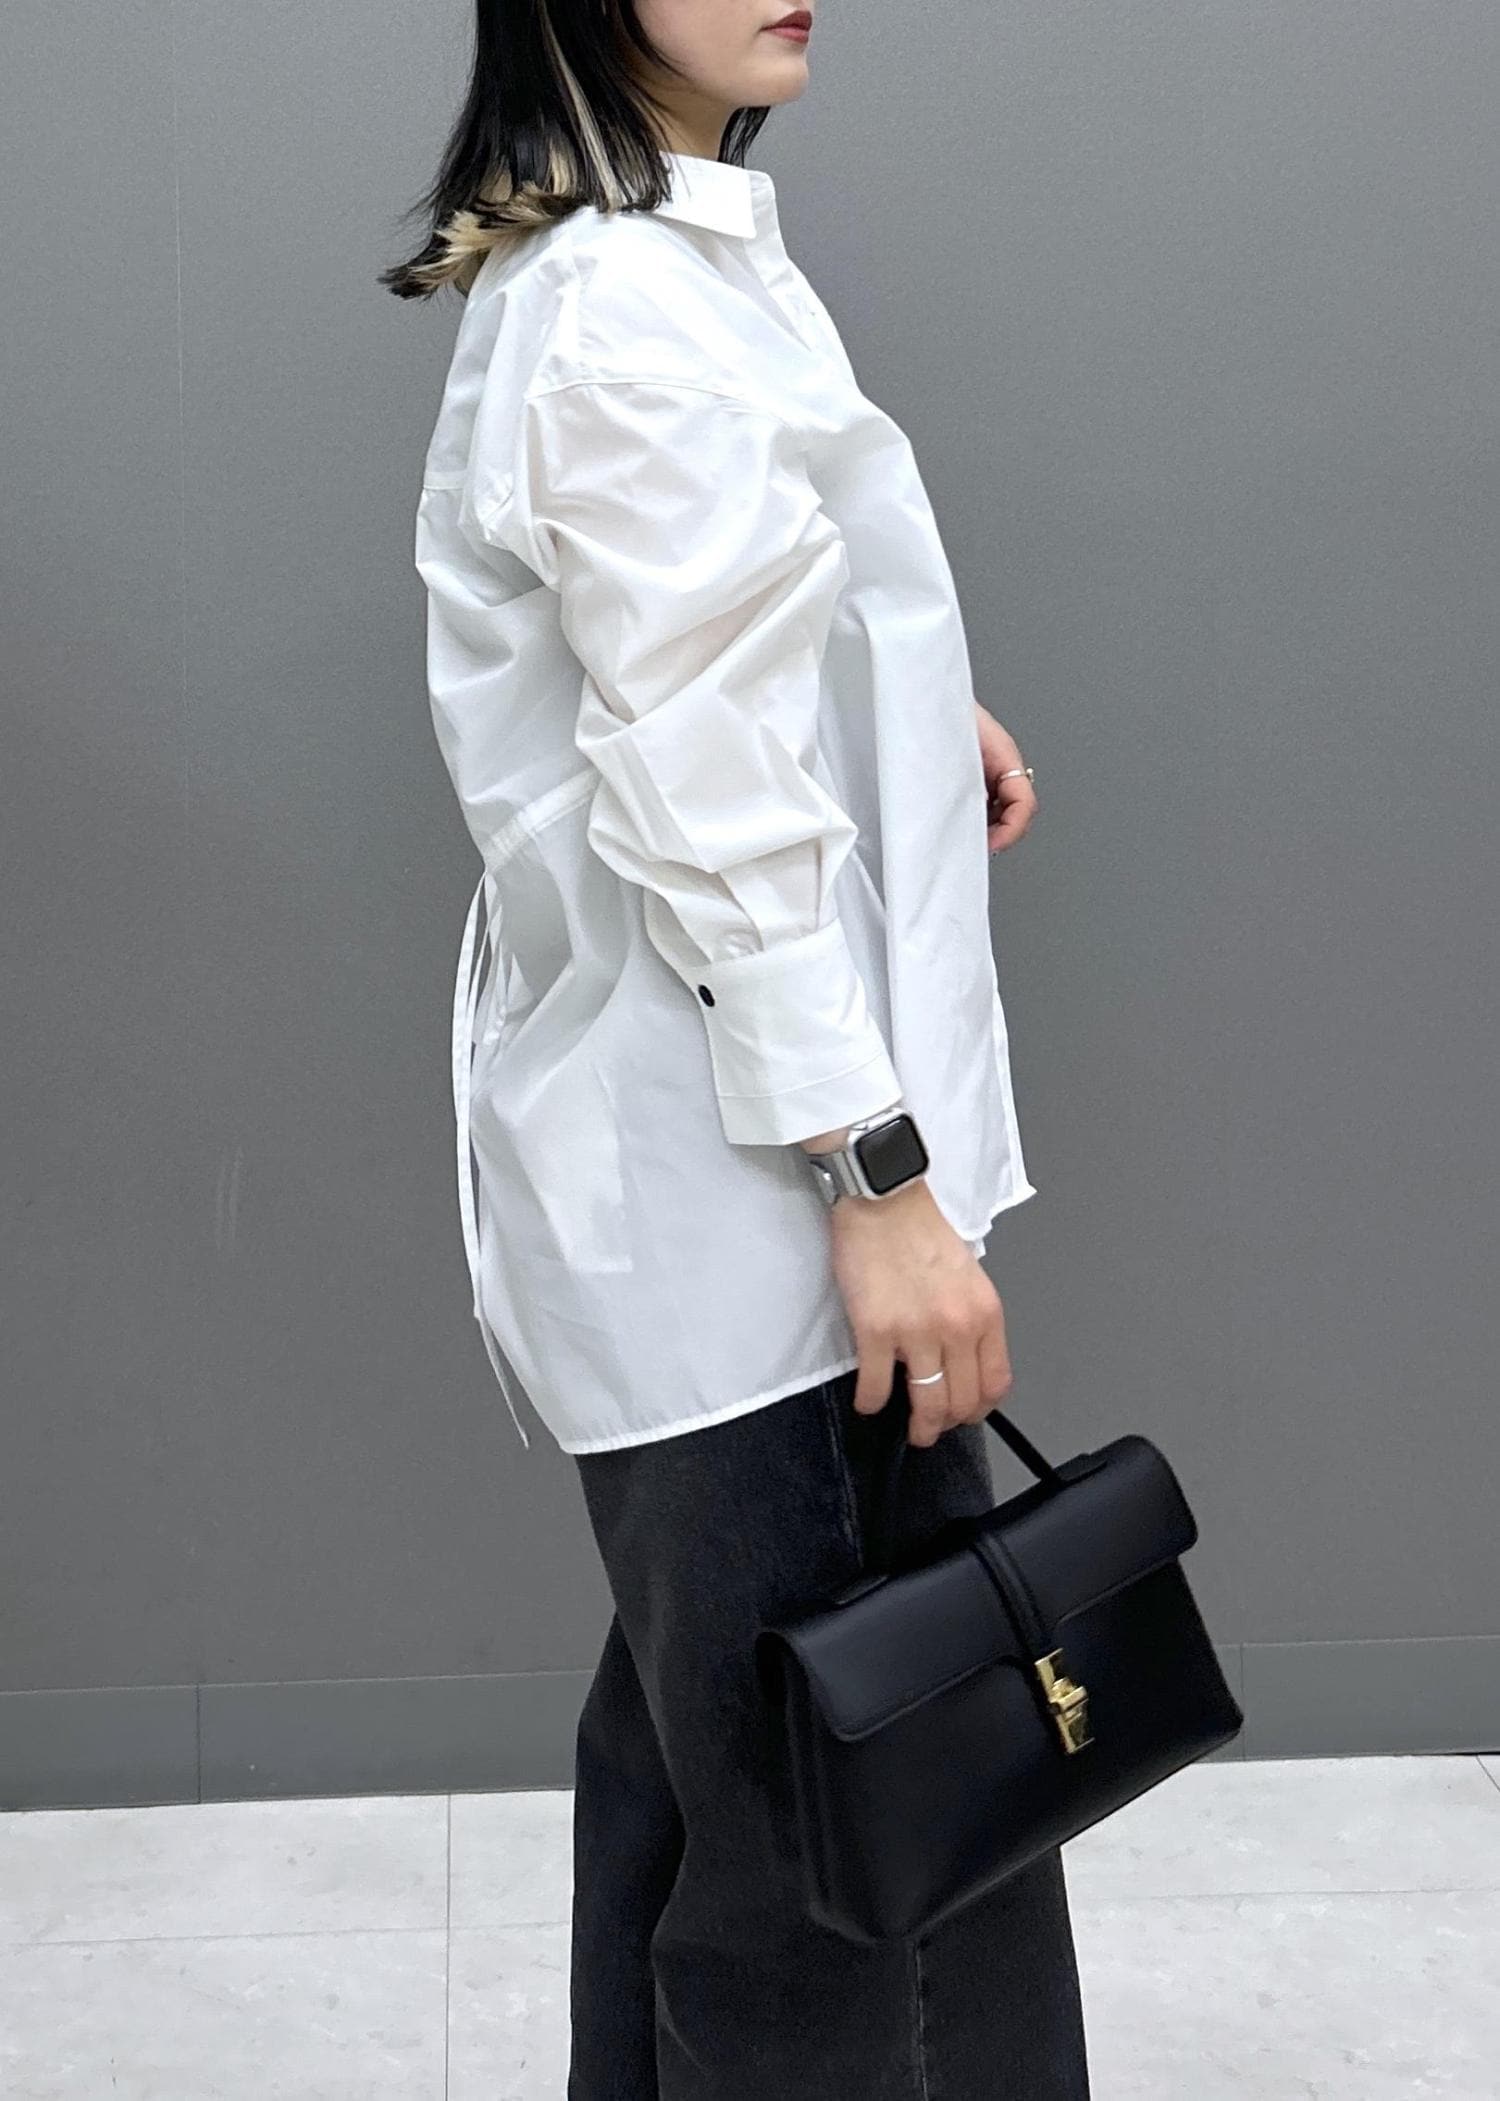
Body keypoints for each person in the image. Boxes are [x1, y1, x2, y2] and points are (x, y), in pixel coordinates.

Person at [388, 2, 1091, 2093]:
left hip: (734, 1171)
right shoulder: (617, 305)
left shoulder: (651, 257)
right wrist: (879, 1180)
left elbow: (692, 655)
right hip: (757, 1194)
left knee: (714, 1777)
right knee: (836, 1857)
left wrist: (903, 704)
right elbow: (695, 786)